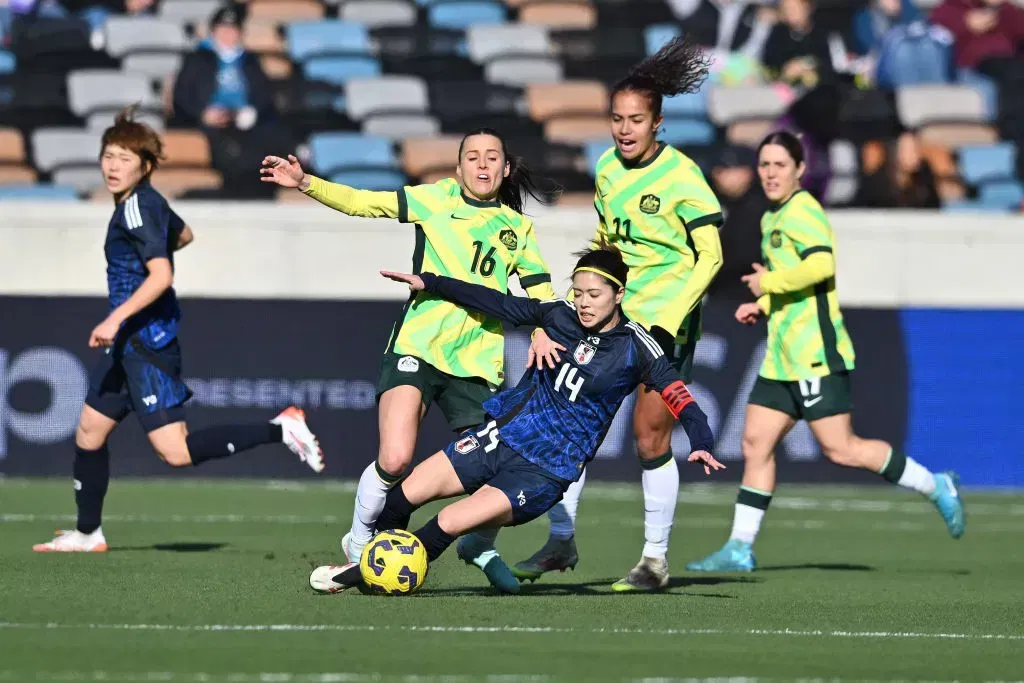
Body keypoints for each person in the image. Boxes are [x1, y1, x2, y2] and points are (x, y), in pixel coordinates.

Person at [308, 245, 724, 595]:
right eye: (577, 292)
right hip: (500, 436)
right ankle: (375, 569)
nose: (583, 302)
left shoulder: (637, 346)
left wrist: (701, 438)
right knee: (402, 497)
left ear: (619, 294)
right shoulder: (559, 315)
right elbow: (498, 302)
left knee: (447, 522)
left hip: (544, 471)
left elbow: (679, 397)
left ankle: (365, 575)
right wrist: (432, 283)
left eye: (594, 294)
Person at [260, 129, 560, 578]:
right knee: (396, 458)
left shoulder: (517, 228)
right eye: (472, 157)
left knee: (493, 472)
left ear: (506, 168)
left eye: (492, 157)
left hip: (477, 362)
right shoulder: (435, 199)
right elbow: (365, 202)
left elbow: (540, 290)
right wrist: (306, 183)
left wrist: (542, 328)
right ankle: (359, 546)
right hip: (418, 346)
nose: (482, 165)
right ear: (458, 169)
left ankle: (477, 543)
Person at [33, 108, 323, 553]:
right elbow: (183, 235)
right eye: (109, 155)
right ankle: (88, 533)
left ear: (145, 166)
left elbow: (161, 275)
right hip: (129, 343)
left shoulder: (136, 210)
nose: (113, 166)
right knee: (89, 431)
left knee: (176, 452)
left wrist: (114, 317)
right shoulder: (146, 202)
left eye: (125, 158)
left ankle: (280, 428)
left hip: (144, 345)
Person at [685, 131, 965, 573]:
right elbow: (795, 279)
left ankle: (936, 485)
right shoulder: (770, 218)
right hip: (782, 355)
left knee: (843, 449)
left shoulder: (803, 211)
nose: (770, 174)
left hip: (813, 353)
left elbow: (821, 266)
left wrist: (769, 284)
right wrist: (764, 304)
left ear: (799, 169)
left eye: (780, 165)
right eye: (764, 165)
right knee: (755, 443)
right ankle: (740, 547)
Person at [511, 37, 725, 592]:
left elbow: (713, 257)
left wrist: (671, 318)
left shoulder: (682, 178)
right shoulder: (607, 168)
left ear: (658, 124)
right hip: (613, 320)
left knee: (651, 439)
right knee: (570, 427)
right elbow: (608, 241)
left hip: (662, 324)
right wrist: (587, 288)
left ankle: (654, 561)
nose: (624, 129)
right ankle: (561, 541)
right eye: (617, 118)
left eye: (636, 120)